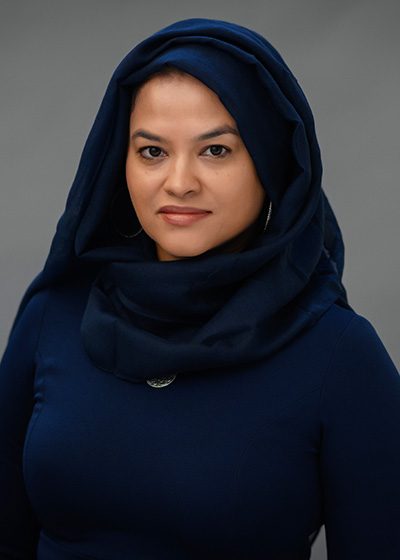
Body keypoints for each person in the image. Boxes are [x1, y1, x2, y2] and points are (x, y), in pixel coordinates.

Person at [1, 18, 399, 560]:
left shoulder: (339, 355)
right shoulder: (54, 314)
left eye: (215, 150)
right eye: (152, 151)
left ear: (271, 163)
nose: (179, 182)